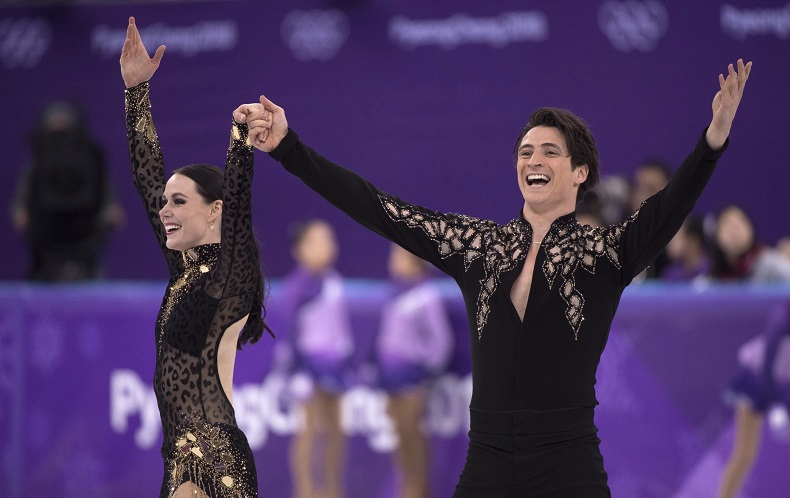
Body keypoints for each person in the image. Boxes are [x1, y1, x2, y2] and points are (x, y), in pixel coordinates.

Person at [243, 59, 751, 496]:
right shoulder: (479, 247)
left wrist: (713, 141)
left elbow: (667, 209)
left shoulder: (603, 252)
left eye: (550, 151)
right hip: (485, 465)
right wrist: (288, 147)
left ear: (580, 173)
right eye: (526, 152)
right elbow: (379, 208)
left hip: (568, 464)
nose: (533, 159)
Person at [120, 17, 272, 497]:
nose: (164, 211)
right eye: (166, 203)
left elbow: (242, 206)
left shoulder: (230, 279)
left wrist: (240, 140)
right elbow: (148, 176)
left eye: (179, 202)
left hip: (217, 459)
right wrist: (136, 93)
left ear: (215, 212)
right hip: (178, 458)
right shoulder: (184, 271)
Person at [277, 219, 353, 498]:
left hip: (335, 364)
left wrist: (345, 355)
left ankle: (333, 488)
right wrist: (296, 370)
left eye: (329, 240)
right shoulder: (296, 288)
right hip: (307, 365)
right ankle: (306, 490)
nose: (326, 247)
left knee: (336, 428)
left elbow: (340, 326)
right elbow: (289, 332)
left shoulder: (334, 282)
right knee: (308, 428)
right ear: (300, 250)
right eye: (317, 241)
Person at [11, 98, 125, 281]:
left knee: (93, 250)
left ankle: (90, 280)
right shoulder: (39, 159)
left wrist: (111, 207)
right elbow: (27, 186)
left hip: (85, 221)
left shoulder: (91, 158)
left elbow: (103, 186)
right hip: (47, 222)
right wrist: (20, 209)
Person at [375, 243, 454, 498]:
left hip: (412, 380)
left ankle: (417, 488)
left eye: (398, 256)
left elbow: (442, 342)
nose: (393, 261)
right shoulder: (394, 293)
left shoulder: (426, 296)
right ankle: (408, 485)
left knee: (413, 436)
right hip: (391, 379)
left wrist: (422, 367)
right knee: (400, 437)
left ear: (414, 261)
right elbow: (384, 339)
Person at [717, 302, 790, 498]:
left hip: (781, 388)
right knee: (745, 454)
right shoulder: (783, 315)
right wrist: (777, 405)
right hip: (755, 381)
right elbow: (768, 364)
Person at [709, 203, 790, 282]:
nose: (735, 230)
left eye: (740, 223)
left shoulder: (771, 264)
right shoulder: (710, 278)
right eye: (728, 224)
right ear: (716, 236)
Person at [660, 214, 710, 282]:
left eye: (676, 237)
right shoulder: (670, 273)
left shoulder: (713, 269)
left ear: (693, 240)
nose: (670, 243)